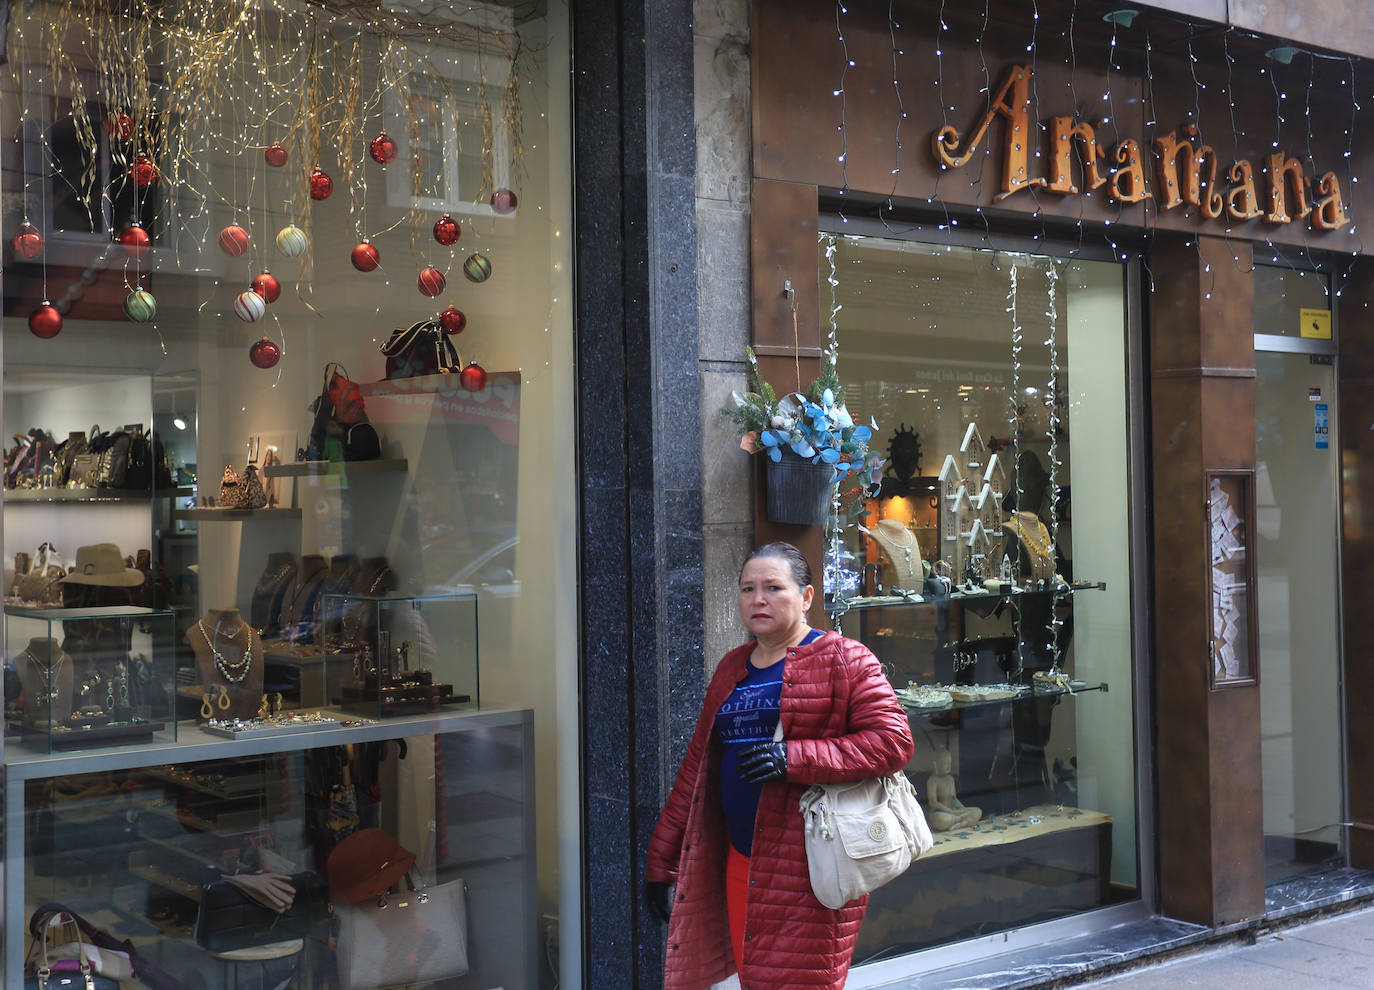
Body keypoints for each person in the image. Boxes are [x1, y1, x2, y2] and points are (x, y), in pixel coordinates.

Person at [644, 541, 914, 990]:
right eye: (748, 589)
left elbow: (892, 743)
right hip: (740, 856)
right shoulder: (732, 666)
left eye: (773, 587)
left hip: (809, 864)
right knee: (756, 980)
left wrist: (791, 758)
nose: (758, 599)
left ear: (806, 598)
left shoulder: (845, 658)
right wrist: (662, 862)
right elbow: (696, 774)